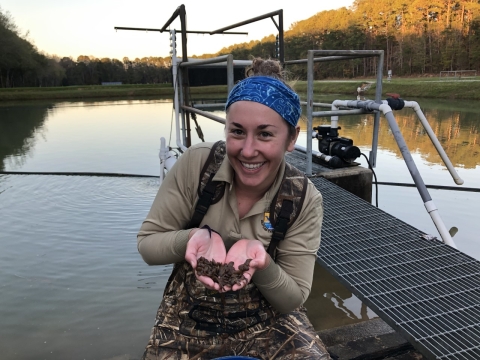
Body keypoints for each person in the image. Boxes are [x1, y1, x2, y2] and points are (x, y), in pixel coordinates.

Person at [137, 58, 329, 359]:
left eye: (265, 134)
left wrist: (262, 264)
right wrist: (189, 240)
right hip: (188, 314)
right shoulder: (198, 165)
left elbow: (292, 299)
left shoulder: (303, 198)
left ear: (291, 138)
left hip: (267, 318)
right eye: (237, 132)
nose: (248, 150)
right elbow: (148, 244)